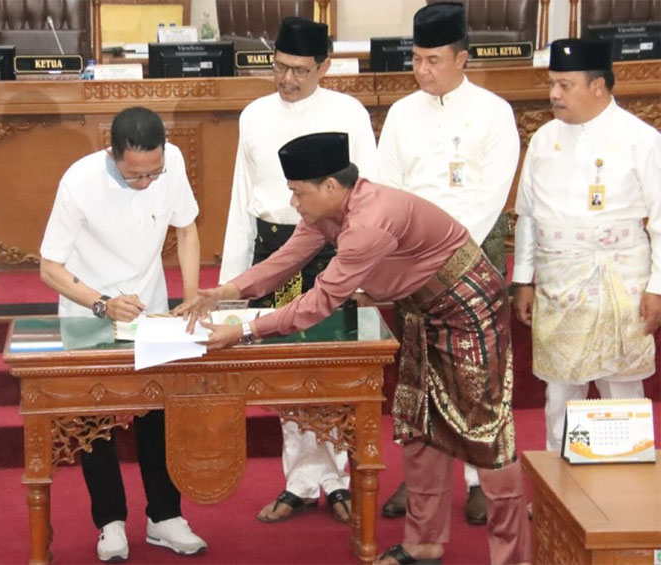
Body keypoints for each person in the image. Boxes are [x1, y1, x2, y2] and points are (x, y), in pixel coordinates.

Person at [186, 132, 531, 565]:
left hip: (468, 306)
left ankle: (514, 556)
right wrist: (225, 292)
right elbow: (285, 261)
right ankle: (424, 543)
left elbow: (321, 301)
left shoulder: (369, 222)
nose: (293, 202)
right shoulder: (327, 212)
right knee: (419, 425)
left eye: (298, 192)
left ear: (331, 186)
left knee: (487, 434)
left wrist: (245, 331)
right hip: (419, 309)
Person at [219, 15, 377, 524]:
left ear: (324, 67)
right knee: (287, 366)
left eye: (300, 70)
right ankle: (299, 482)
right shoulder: (254, 116)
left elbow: (369, 194)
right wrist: (232, 279)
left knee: (333, 364)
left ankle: (338, 480)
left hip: (333, 249)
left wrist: (365, 271)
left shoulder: (348, 113)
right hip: (276, 253)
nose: (287, 79)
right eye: (280, 67)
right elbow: (242, 199)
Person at [39, 106, 206, 562]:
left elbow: (187, 229)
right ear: (112, 155)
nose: (147, 182)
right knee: (96, 420)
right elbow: (50, 267)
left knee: (159, 412)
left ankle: (165, 516)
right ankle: (110, 522)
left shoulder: (172, 161)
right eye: (136, 176)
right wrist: (102, 303)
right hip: (89, 308)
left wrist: (191, 295)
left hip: (149, 305)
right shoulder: (79, 182)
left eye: (154, 173)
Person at [375, 1, 520, 525]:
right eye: (416, 59)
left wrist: (445, 258)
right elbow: (387, 189)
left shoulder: (494, 112)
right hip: (412, 266)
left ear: (462, 58)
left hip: (472, 263)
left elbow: (491, 195)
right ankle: (422, 484)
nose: (422, 70)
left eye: (433, 60)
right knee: (419, 377)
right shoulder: (400, 114)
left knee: (476, 380)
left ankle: (480, 477)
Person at [512, 38, 661, 452]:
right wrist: (523, 280)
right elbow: (528, 215)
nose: (554, 94)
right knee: (560, 390)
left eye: (565, 85)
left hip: (620, 280)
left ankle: (627, 480)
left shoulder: (640, 138)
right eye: (552, 84)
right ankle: (557, 481)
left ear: (597, 86)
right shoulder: (543, 139)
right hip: (559, 281)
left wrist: (658, 287)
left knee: (622, 386)